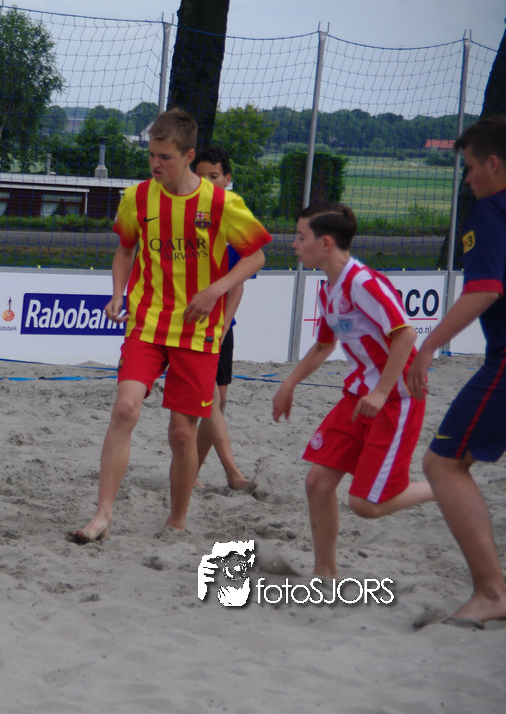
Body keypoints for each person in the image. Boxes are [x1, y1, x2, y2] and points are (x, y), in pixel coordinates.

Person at [68, 109, 271, 542]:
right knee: (125, 408)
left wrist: (216, 290)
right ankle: (102, 516)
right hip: (146, 323)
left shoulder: (222, 203)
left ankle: (176, 520)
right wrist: (118, 292)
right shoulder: (137, 197)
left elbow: (256, 257)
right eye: (151, 155)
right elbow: (125, 249)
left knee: (181, 434)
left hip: (197, 331)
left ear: (189, 155)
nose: (155, 164)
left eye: (165, 157)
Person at [272, 203, 434, 577]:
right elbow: (323, 346)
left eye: (300, 236)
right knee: (317, 483)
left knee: (365, 505)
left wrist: (381, 392)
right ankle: (325, 573)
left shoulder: (364, 283)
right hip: (357, 397)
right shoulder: (328, 289)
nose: (294, 244)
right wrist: (288, 384)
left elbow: (406, 335)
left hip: (395, 400)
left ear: (326, 243)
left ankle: (444, 487)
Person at [405, 115, 506, 622]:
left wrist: (428, 346)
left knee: (443, 464)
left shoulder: (488, 212)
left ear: (493, 164)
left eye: (469, 167)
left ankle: (491, 594)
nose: (467, 179)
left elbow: (485, 289)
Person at [191, 146, 250, 491]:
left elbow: (238, 284)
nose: (206, 182)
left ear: (227, 179)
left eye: (213, 176)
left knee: (220, 400)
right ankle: (232, 472)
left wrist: (224, 326)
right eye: (199, 176)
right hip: (189, 323)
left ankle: (191, 472)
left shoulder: (233, 217)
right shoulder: (186, 215)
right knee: (209, 400)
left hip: (221, 325)